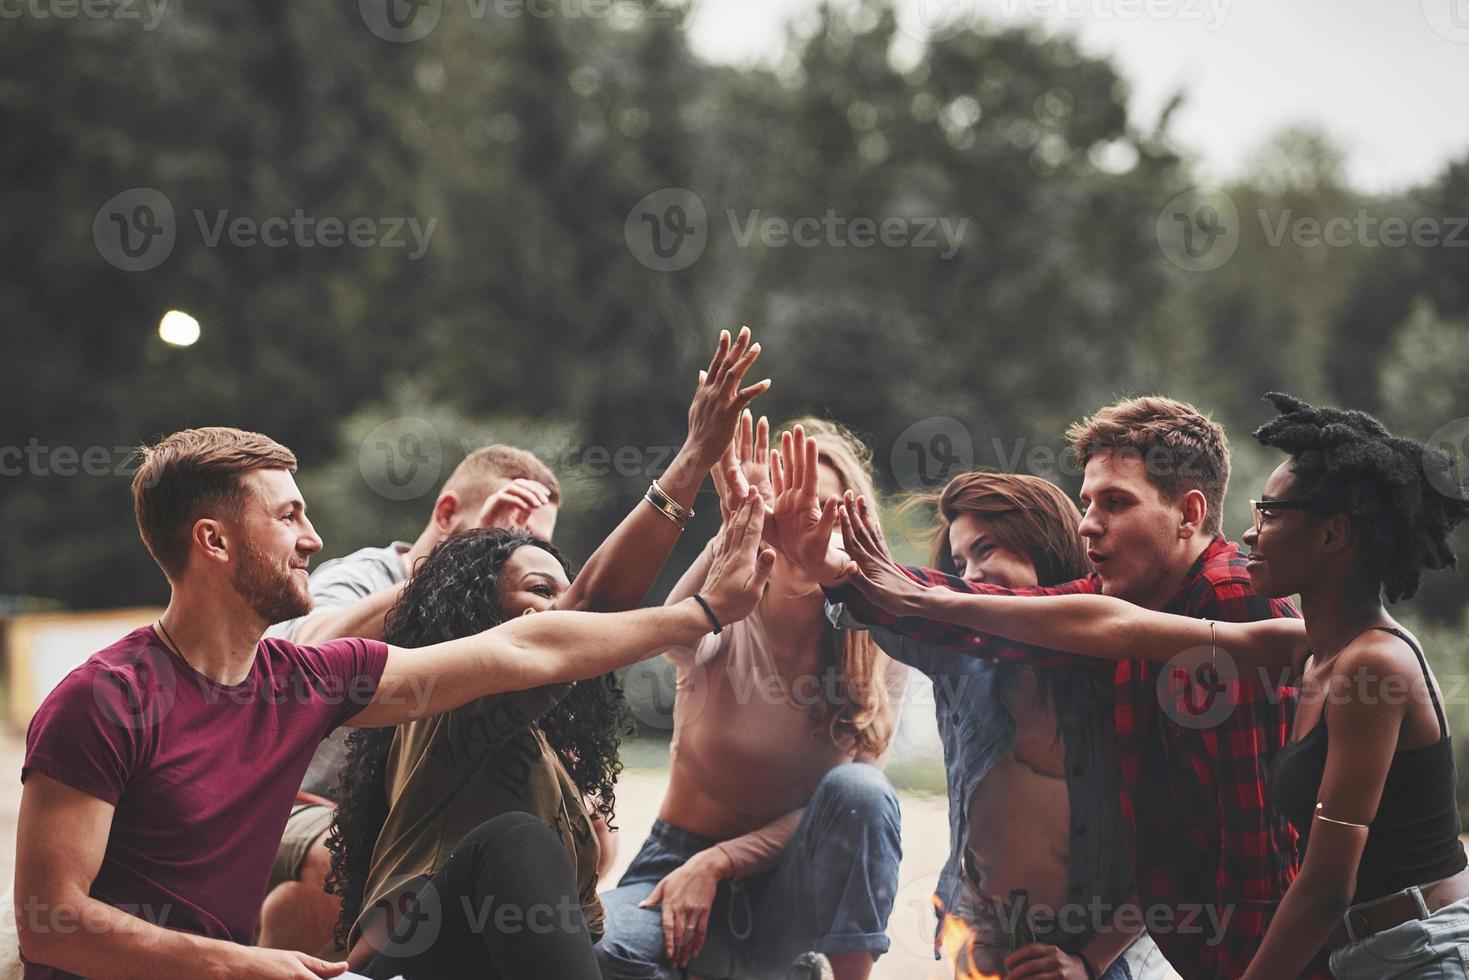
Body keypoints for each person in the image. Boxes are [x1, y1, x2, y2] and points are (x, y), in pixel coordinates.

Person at [16, 332, 774, 980]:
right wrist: (241, 962)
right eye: (287, 518)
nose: (312, 539)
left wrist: (698, 614)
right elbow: (53, 925)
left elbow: (523, 647)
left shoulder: (305, 681)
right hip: (239, 967)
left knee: (512, 847)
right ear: (212, 541)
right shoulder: (105, 698)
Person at [832, 394, 1469, 979]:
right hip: (1356, 953)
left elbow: (1315, 881)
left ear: (1332, 534)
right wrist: (903, 592)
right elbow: (1108, 625)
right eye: (1087, 502)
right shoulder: (1297, 646)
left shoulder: (1359, 659)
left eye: (1271, 513)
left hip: (1416, 953)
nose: (1250, 531)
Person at [779, 396, 1315, 980]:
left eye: (1115, 502)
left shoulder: (1228, 598)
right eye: (1087, 502)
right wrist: (840, 572)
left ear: (1187, 514)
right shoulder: (1112, 607)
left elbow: (1258, 849)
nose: (1089, 522)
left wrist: (1094, 958)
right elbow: (988, 611)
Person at [596, 417, 907, 980]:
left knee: (863, 790)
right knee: (596, 954)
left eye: (821, 508)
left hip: (794, 888)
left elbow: (852, 810)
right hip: (676, 864)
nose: (799, 522)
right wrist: (733, 530)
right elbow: (676, 631)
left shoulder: (880, 645)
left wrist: (724, 862)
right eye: (782, 506)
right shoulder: (725, 611)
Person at [828, 471, 1169, 979]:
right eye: (960, 563)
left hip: (1107, 948)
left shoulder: (1116, 662)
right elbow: (880, 614)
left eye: (986, 550)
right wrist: (834, 569)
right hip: (990, 940)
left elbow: (1173, 843)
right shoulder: (962, 658)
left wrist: (1089, 961)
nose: (971, 575)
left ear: (1043, 543)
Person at [260, 444, 565, 958]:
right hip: (293, 805)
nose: (510, 558)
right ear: (447, 515)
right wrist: (452, 562)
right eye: (499, 538)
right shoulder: (362, 576)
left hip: (412, 813)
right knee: (348, 861)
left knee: (583, 829)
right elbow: (308, 660)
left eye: (529, 546)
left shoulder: (514, 611)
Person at [327, 527, 633, 969]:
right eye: (540, 591)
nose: (562, 610)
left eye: (564, 593)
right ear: (477, 612)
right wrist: (703, 610)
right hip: (406, 964)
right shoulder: (451, 702)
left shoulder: (544, 755)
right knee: (516, 837)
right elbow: (592, 607)